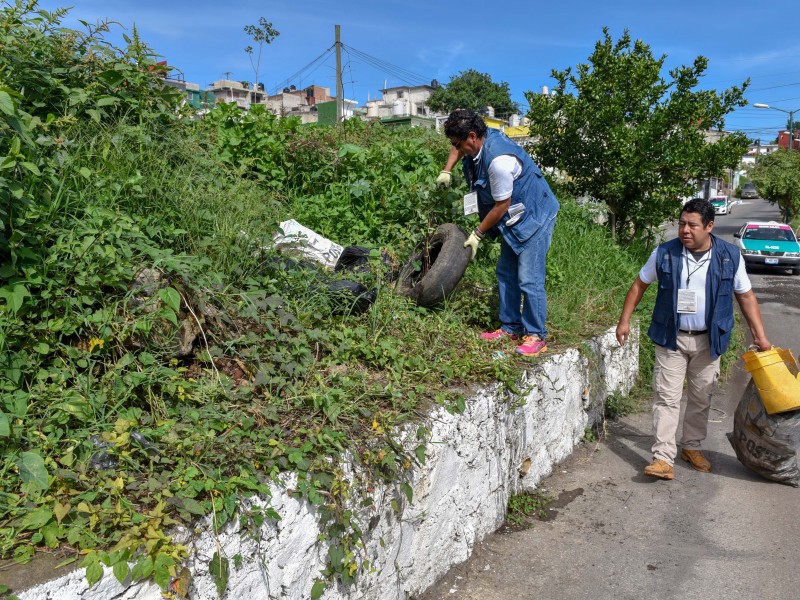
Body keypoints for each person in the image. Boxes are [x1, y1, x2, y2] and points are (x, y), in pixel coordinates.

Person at [616, 198, 771, 480]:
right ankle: (663, 457)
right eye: (681, 224)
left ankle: (691, 446)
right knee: (667, 398)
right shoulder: (665, 253)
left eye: (692, 225)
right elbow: (640, 284)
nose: (685, 230)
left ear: (709, 226)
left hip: (708, 340)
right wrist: (624, 320)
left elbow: (746, 296)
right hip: (671, 338)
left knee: (702, 398)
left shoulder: (729, 256)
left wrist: (761, 337)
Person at [437, 109, 559, 357]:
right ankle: (511, 327)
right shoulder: (476, 140)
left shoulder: (498, 162)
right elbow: (458, 147)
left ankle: (536, 336)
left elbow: (501, 205)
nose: (456, 148)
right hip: (513, 219)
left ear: (472, 136)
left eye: (458, 144)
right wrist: (447, 169)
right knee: (505, 271)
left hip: (534, 216)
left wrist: (478, 234)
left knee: (529, 278)